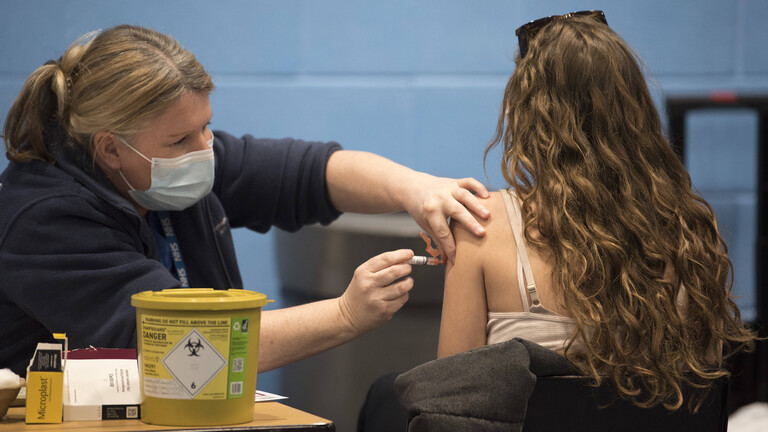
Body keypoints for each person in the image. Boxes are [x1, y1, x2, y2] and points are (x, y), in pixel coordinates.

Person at [0, 24, 491, 376]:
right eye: (179, 140)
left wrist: (416, 188)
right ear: (110, 148)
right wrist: (344, 314)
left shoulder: (166, 166)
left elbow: (310, 173)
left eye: (206, 125)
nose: (204, 149)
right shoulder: (44, 219)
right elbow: (174, 345)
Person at [436, 11, 756, 411]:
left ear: (528, 113)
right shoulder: (691, 233)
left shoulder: (480, 227)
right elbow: (701, 404)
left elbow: (448, 408)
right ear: (635, 108)